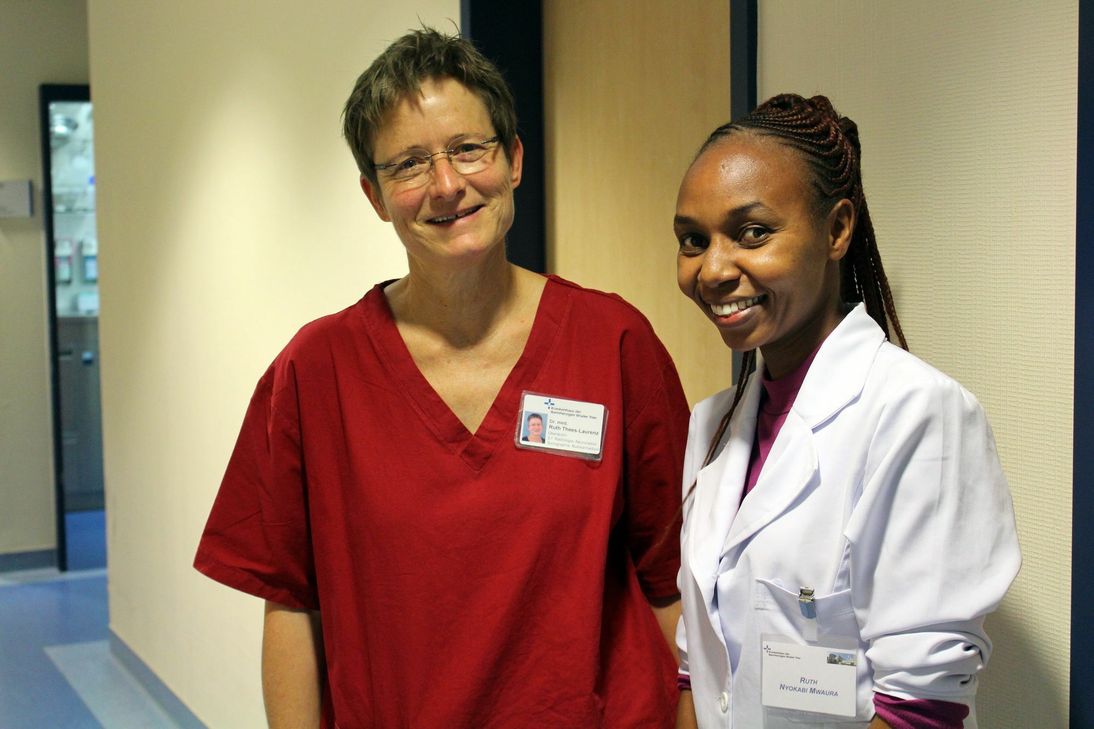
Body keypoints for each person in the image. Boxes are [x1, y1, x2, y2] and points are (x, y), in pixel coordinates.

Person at [193, 27, 690, 729]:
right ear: (374, 195)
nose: (448, 185)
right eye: (409, 164)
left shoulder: (613, 342)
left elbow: (671, 579)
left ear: (514, 159)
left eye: (468, 149)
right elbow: (290, 603)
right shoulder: (315, 373)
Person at [670, 94, 1020, 728]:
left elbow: (920, 709)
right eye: (694, 240)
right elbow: (700, 664)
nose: (713, 269)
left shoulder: (918, 415)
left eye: (752, 233)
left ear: (836, 230)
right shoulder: (711, 426)